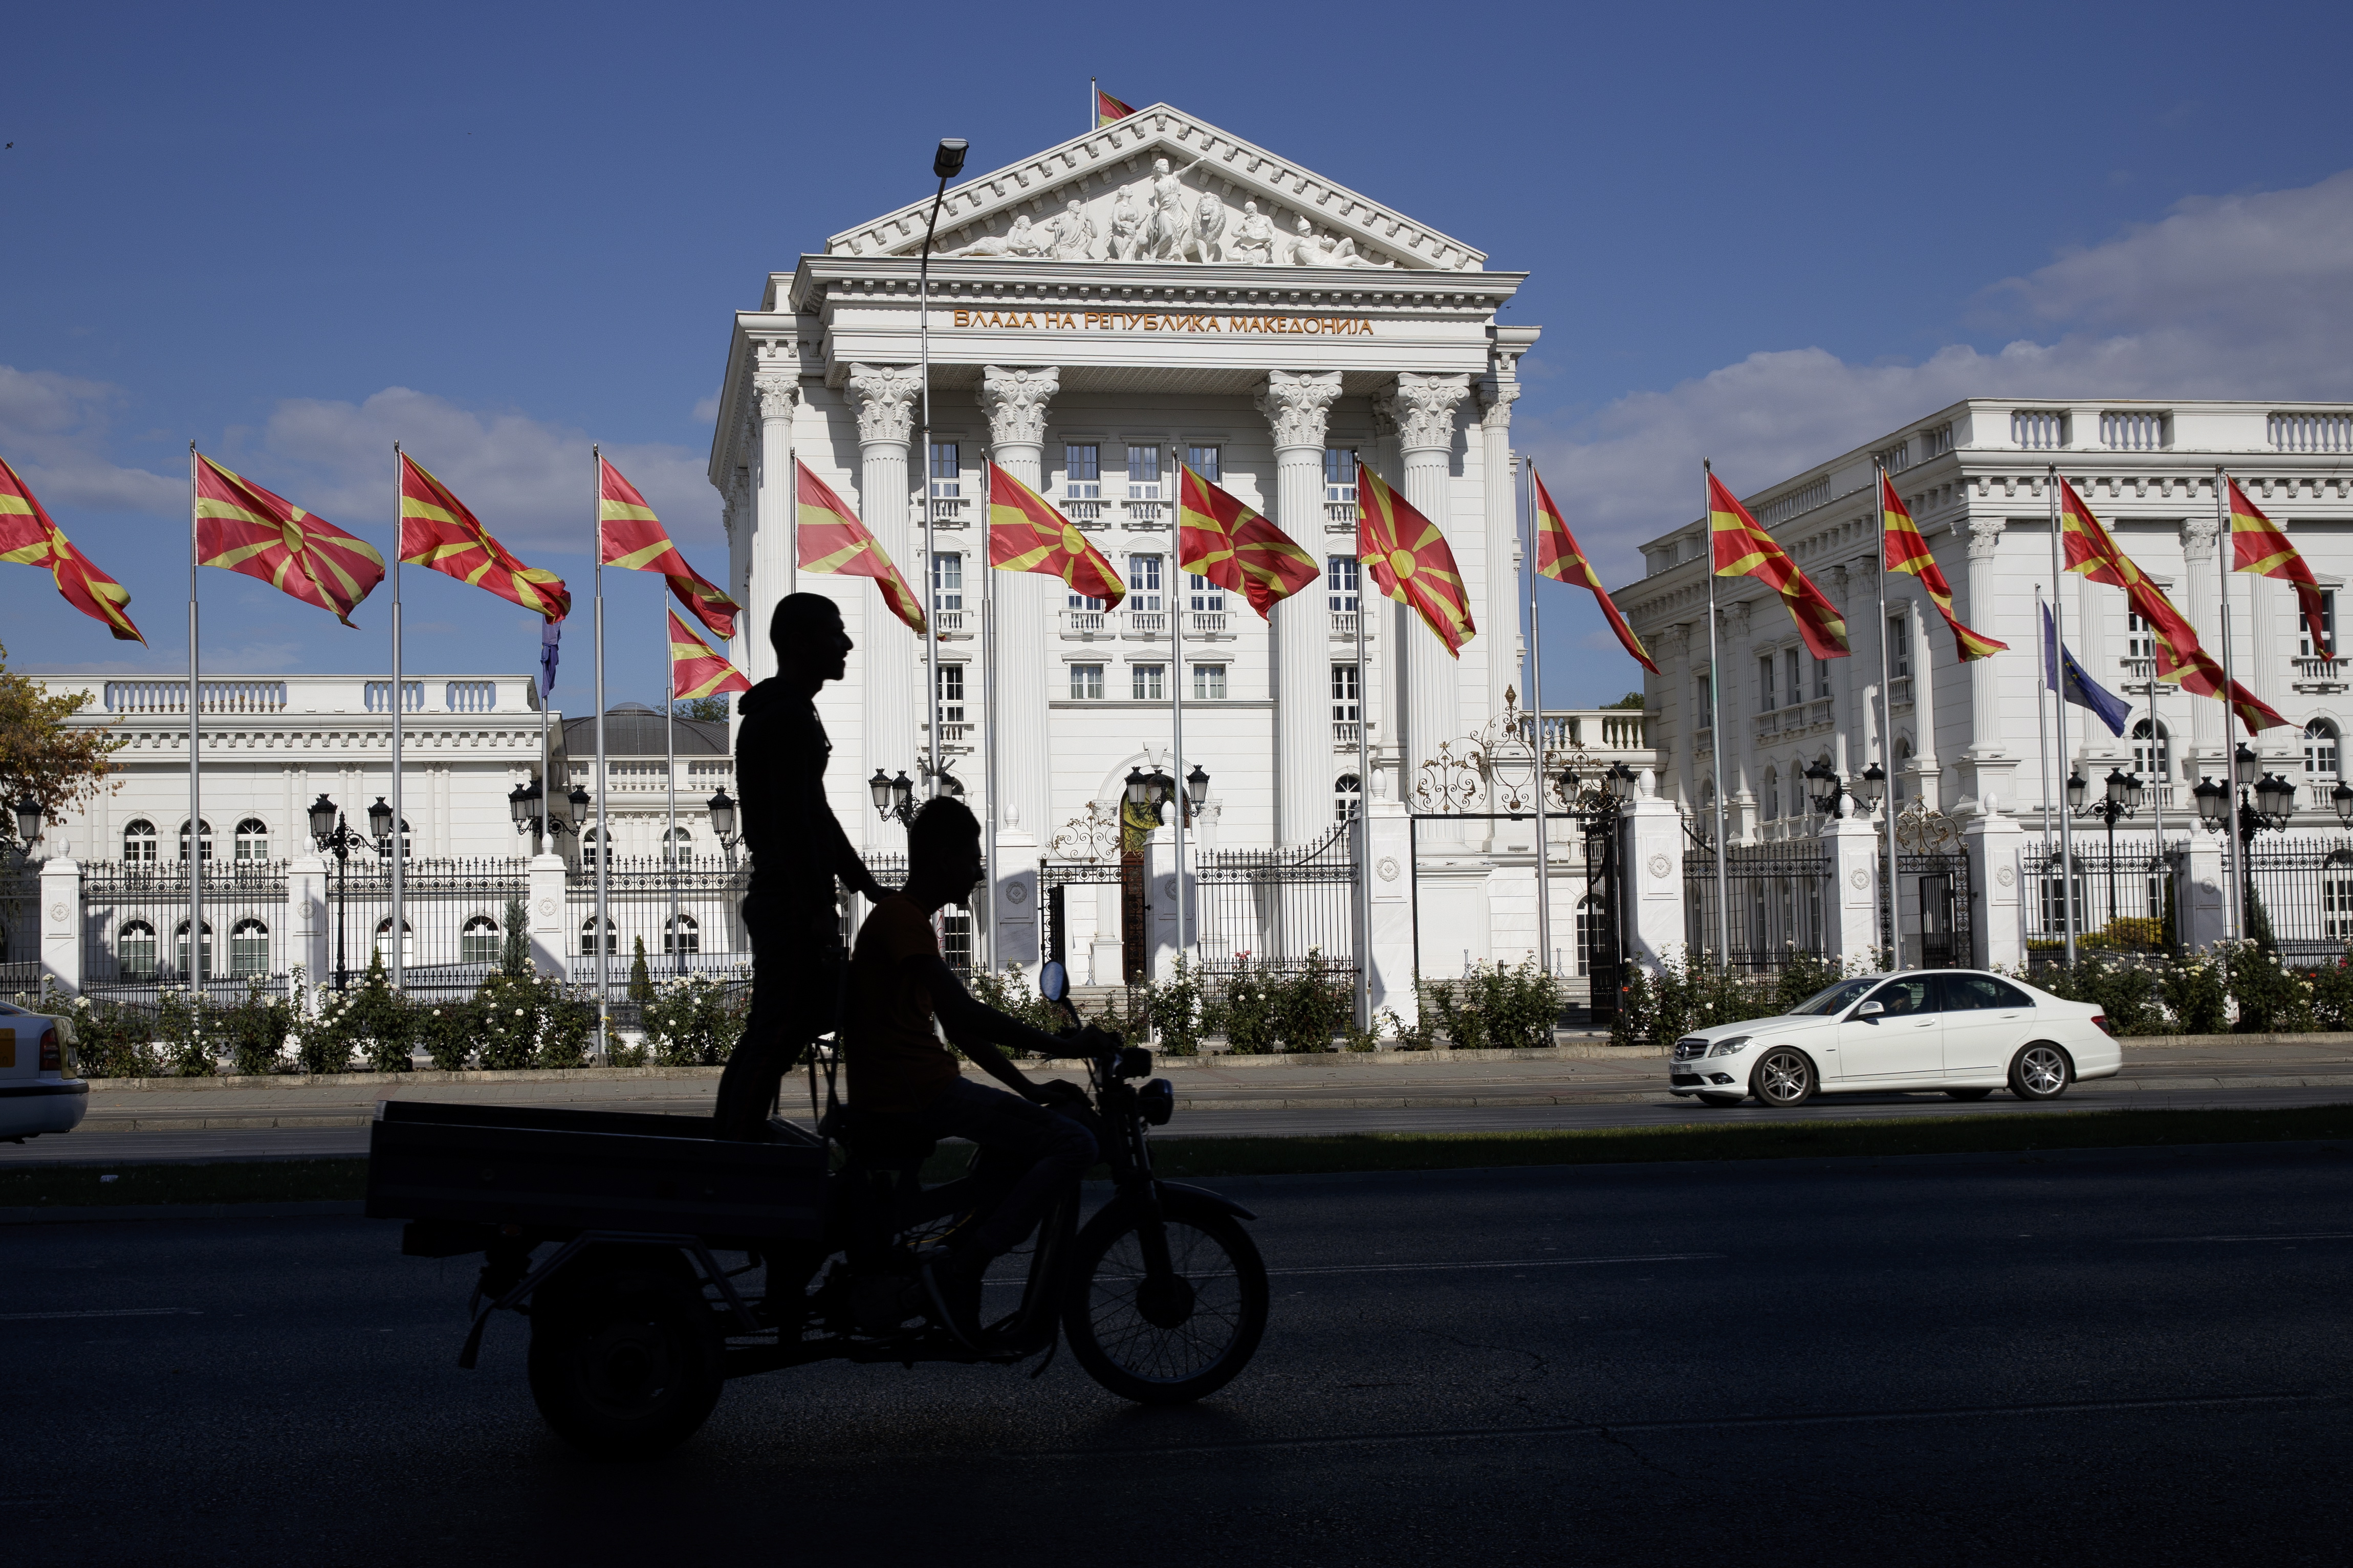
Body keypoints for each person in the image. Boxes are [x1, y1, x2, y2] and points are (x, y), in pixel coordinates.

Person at [846, 794, 1097, 1349]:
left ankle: (954, 1260)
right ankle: (961, 1270)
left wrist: (1029, 1086)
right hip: (917, 1093)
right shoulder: (902, 921)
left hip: (915, 1087)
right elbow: (963, 1013)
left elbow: (960, 1031)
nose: (980, 868)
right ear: (942, 857)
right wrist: (1064, 1044)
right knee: (1075, 1144)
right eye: (973, 856)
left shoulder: (905, 921)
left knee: (1017, 1151)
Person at [712, 593, 892, 1141]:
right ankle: (729, 1150)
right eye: (834, 632)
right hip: (789, 898)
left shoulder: (788, 709)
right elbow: (796, 821)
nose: (846, 643)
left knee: (779, 1028)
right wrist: (819, 906)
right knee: (778, 1030)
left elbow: (814, 815)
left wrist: (864, 885)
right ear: (800, 643)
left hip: (787, 894)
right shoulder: (786, 714)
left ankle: (731, 1140)